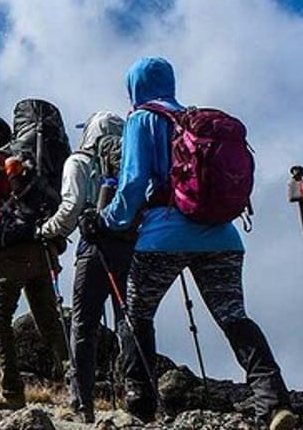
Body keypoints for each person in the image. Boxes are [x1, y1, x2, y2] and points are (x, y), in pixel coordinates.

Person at [94, 57, 297, 430]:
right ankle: (273, 401)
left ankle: (140, 403)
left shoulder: (142, 118)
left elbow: (134, 183)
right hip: (222, 235)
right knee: (233, 316)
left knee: (136, 313)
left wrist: (107, 221)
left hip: (163, 236)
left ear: (134, 86)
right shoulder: (195, 121)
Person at [0, 109, 70, 409]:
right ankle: (78, 388)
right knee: (51, 323)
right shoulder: (35, 160)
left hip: (11, 252)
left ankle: (12, 393)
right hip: (45, 248)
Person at [37, 111, 127, 422]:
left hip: (94, 246)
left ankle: (82, 403)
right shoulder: (129, 160)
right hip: (130, 245)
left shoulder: (78, 161)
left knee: (84, 325)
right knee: (128, 322)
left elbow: (71, 209)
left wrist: (44, 231)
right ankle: (137, 398)